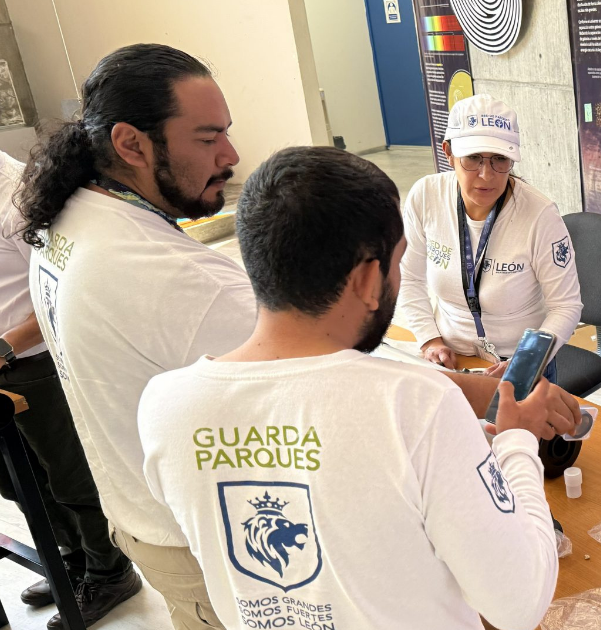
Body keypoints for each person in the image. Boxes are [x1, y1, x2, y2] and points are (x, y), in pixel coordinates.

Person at [139, 147, 575, 630]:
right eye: (397, 263)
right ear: (370, 279)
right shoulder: (417, 408)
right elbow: (519, 604)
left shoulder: (164, 406)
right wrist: (516, 442)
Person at [17, 43, 250, 629]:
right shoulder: (175, 278)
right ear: (130, 144)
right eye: (206, 138)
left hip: (141, 511)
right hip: (208, 544)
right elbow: (327, 389)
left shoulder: (66, 217)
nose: (230, 154)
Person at [0, 109, 135, 626]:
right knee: (16, 484)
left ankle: (110, 573)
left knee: (68, 478)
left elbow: (58, 286)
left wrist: (1, 348)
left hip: (28, 364)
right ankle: (69, 562)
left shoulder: (16, 191)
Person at [399, 94, 582, 380]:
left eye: (500, 160)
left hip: (521, 362)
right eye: (472, 159)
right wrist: (429, 338)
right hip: (451, 357)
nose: (486, 175)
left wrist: (527, 362)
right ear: (448, 152)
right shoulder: (426, 196)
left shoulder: (539, 215)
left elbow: (566, 305)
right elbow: (409, 278)